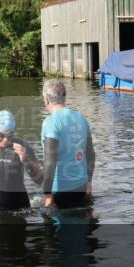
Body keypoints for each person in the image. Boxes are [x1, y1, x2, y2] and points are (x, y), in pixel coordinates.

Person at [39, 79, 95, 209]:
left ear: (46, 99)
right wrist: (89, 181)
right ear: (64, 98)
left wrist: (47, 193)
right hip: (81, 186)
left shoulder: (51, 122)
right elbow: (90, 153)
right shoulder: (81, 119)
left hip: (60, 189)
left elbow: (49, 161)